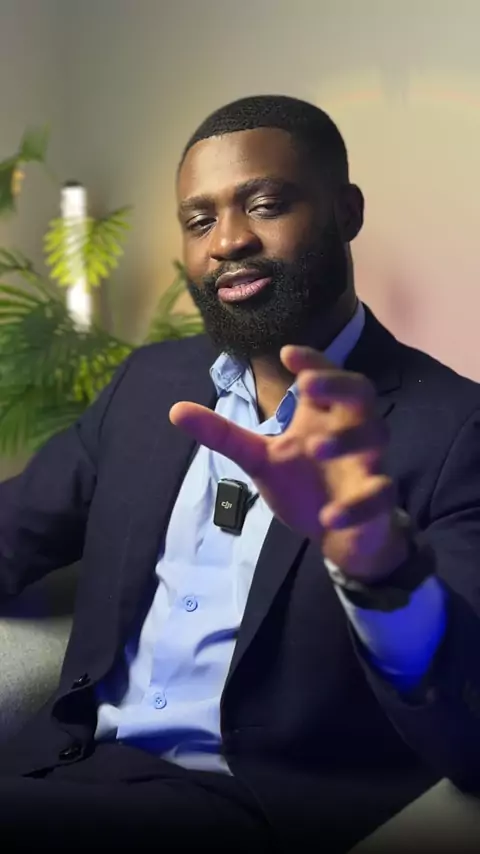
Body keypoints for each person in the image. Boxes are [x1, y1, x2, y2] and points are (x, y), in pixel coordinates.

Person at [1, 94, 480, 852]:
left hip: (249, 808)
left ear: (346, 212)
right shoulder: (149, 385)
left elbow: (467, 713)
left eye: (265, 204)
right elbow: (14, 532)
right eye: (199, 221)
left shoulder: (457, 430)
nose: (227, 241)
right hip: (65, 771)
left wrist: (376, 566)